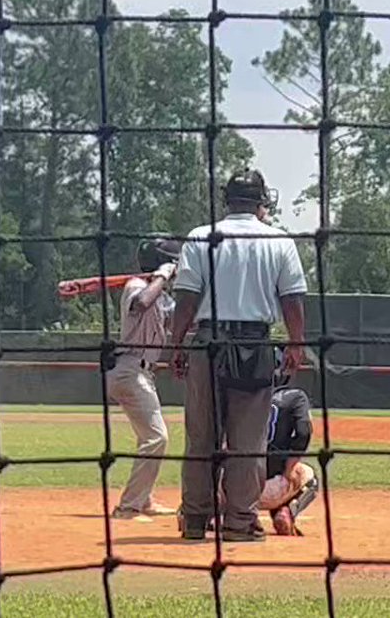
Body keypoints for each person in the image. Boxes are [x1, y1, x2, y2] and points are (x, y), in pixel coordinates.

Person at [170, 170, 308, 543]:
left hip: (208, 341)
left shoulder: (201, 236)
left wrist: (176, 344)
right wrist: (296, 344)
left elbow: (186, 299)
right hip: (256, 344)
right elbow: (292, 299)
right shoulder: (280, 241)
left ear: (226, 199)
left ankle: (196, 519)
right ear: (261, 200)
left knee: (201, 437)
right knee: (248, 442)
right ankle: (239, 522)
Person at [108, 238, 180, 520]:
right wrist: (163, 274)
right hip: (129, 369)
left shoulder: (162, 296)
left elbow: (180, 319)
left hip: (143, 372)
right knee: (156, 437)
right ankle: (128, 507)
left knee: (147, 437)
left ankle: (144, 498)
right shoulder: (136, 286)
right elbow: (141, 304)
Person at [261, 351, 319, 536]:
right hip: (272, 487)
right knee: (310, 476)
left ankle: (207, 515)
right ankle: (286, 511)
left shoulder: (241, 398)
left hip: (233, 489)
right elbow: (303, 434)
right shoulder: (295, 397)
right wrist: (289, 468)